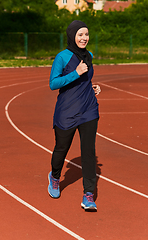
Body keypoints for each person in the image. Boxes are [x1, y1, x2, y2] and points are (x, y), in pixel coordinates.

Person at [47, 20, 101, 210]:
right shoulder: (62, 57)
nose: (84, 38)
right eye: (80, 34)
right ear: (72, 36)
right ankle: (54, 176)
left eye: (86, 34)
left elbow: (87, 78)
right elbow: (53, 83)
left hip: (88, 110)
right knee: (61, 148)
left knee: (88, 153)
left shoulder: (89, 55)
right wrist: (76, 73)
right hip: (67, 111)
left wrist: (92, 86)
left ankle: (88, 195)